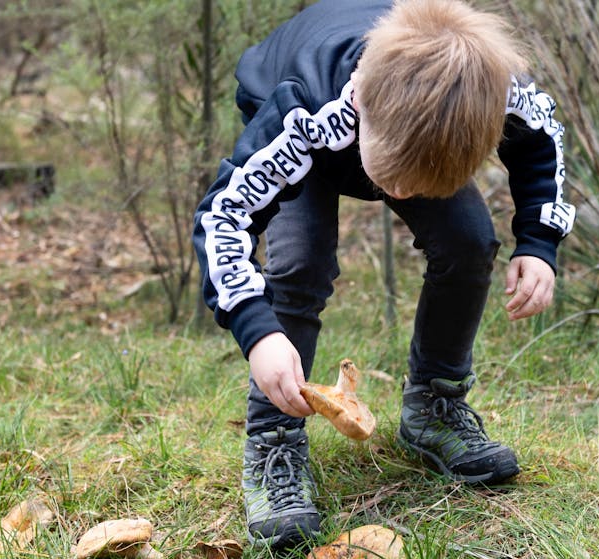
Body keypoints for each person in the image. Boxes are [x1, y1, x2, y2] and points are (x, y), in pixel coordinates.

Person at [192, 0, 576, 549]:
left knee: (469, 240)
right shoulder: (302, 107)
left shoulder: (495, 89)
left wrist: (539, 243)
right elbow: (223, 217)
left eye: (415, 187)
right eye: (393, 180)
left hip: (405, 131)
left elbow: (544, 143)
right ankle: (274, 437)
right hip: (308, 114)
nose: (398, 197)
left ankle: (434, 407)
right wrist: (257, 330)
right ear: (363, 110)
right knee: (301, 264)